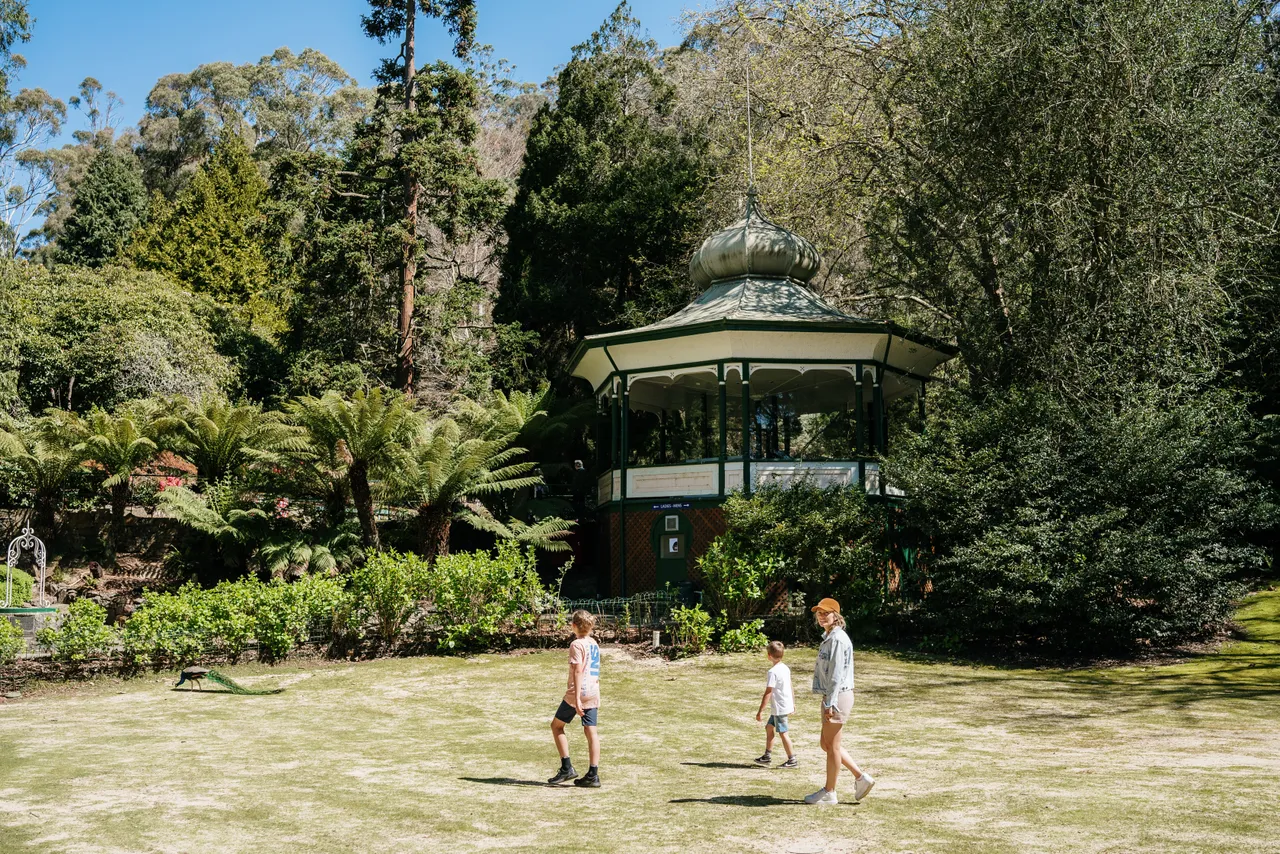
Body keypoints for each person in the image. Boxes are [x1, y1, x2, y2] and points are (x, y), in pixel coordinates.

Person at [805, 597, 875, 805]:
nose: (821, 616)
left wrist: (829, 703)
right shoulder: (829, 637)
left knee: (832, 746)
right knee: (826, 744)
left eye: (826, 613)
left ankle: (830, 792)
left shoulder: (837, 639)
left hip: (837, 696)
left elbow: (836, 675)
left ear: (836, 615)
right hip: (833, 695)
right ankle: (861, 778)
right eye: (819, 612)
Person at [547, 609, 602, 788]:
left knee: (556, 726)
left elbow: (578, 670)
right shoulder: (594, 643)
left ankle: (566, 767)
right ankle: (593, 774)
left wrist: (577, 698)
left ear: (574, 626)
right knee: (591, 732)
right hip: (593, 690)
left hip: (579, 692)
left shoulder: (576, 645)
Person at [754, 640, 797, 768]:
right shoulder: (785, 668)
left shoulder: (772, 672)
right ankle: (767, 756)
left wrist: (760, 711)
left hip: (779, 708)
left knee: (783, 733)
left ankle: (792, 759)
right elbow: (790, 686)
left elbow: (768, 692)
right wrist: (793, 703)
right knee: (769, 727)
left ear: (769, 655)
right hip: (782, 706)